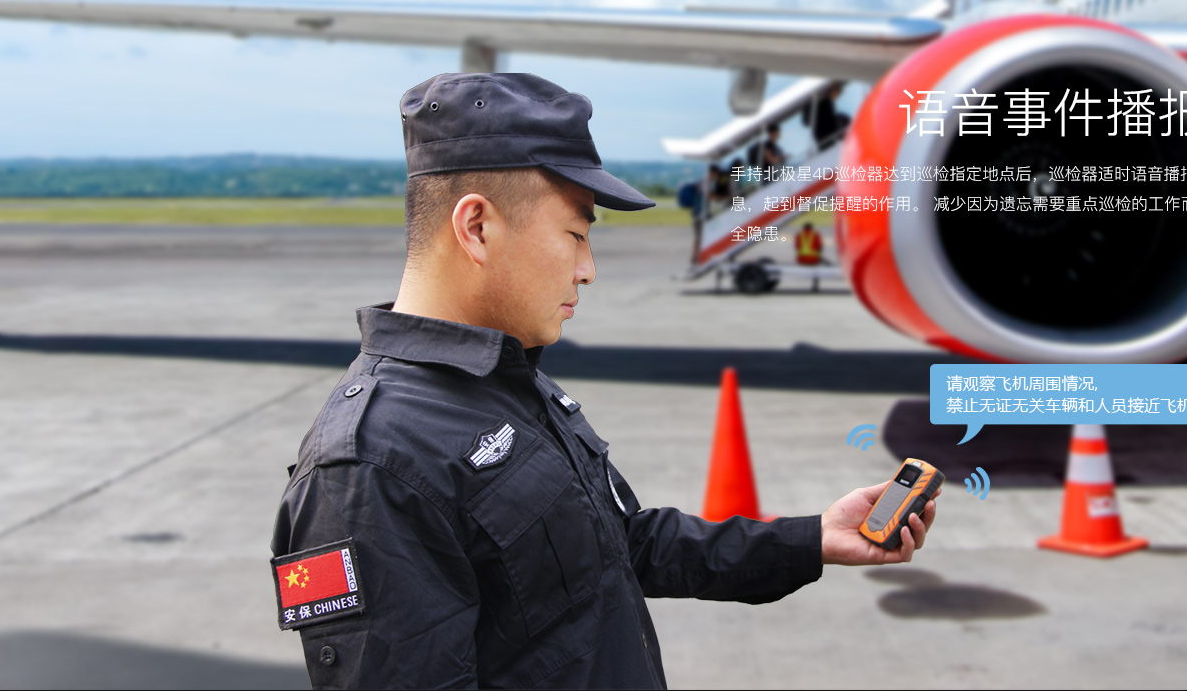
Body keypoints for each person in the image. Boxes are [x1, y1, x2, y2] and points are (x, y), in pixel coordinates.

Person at [271, 72, 939, 689]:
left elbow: (624, 543)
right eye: (575, 234)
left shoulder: (506, 379)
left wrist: (811, 538)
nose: (587, 269)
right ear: (476, 227)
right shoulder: (367, 467)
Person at [802, 81, 850, 151]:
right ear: (832, 91)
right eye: (837, 93)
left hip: (824, 133)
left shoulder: (827, 103)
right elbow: (825, 120)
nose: (837, 96)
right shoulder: (824, 103)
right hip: (824, 134)